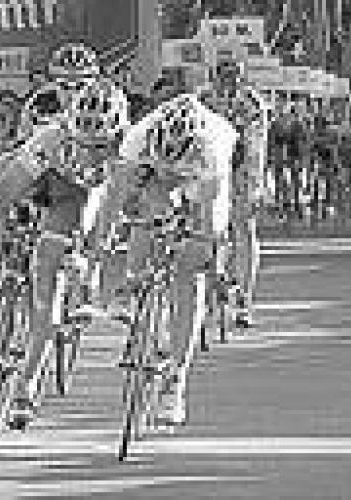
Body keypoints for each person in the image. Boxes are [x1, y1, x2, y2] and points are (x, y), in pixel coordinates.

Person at [0, 76, 130, 429]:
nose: (90, 150)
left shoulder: (124, 154)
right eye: (83, 141)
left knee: (47, 288)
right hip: (42, 177)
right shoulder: (50, 139)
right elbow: (3, 195)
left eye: (99, 145)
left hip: (75, 196)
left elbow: (106, 214)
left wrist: (88, 255)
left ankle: (26, 387)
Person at [119, 93, 237, 425]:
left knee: (191, 266)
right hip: (155, 171)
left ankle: (176, 378)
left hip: (201, 181)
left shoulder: (213, 147)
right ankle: (134, 289)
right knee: (144, 215)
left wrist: (209, 253)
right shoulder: (138, 138)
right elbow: (121, 195)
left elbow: (210, 220)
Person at [197, 60, 269, 328]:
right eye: (222, 78)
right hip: (209, 166)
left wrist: (254, 189)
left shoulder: (252, 103)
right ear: (213, 78)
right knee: (202, 228)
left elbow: (255, 148)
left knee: (244, 227)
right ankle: (204, 294)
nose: (227, 84)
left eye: (233, 79)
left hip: (242, 166)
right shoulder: (202, 100)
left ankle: (244, 299)